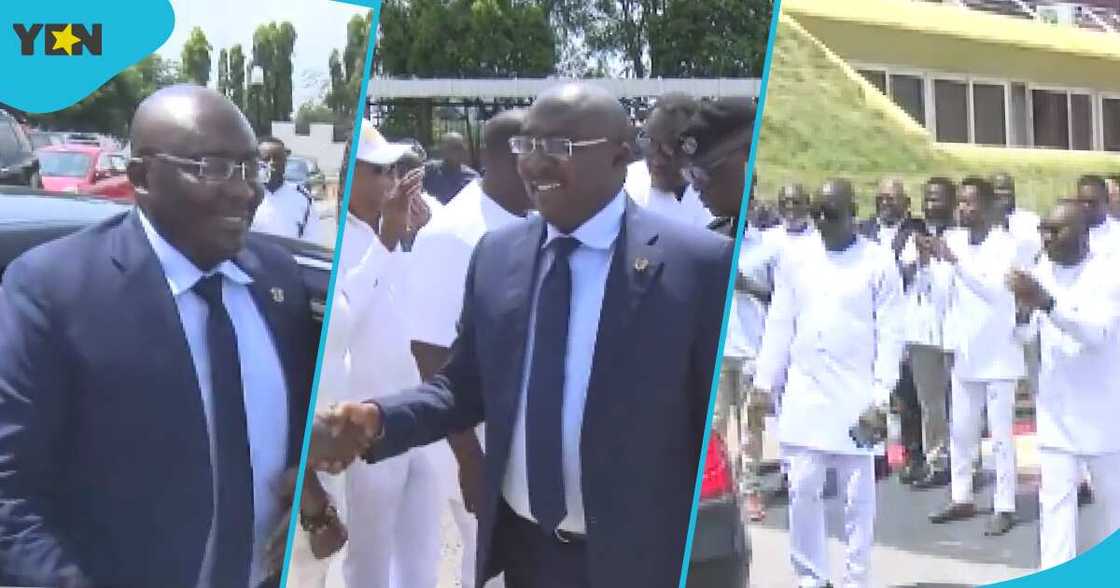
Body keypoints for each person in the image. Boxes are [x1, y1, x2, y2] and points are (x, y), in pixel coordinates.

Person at [308, 82, 732, 588]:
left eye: (559, 147)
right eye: (526, 146)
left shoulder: (696, 266)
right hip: (529, 556)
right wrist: (378, 419)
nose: (534, 164)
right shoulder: (497, 256)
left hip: (640, 558)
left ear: (621, 156)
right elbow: (463, 387)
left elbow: (700, 419)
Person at [0, 85, 320, 588]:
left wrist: (304, 485)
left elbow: (290, 428)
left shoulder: (276, 278)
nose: (244, 190)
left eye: (250, 167)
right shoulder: (54, 291)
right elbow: (10, 496)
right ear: (141, 177)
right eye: (214, 168)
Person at [753, 178, 903, 588]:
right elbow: (780, 323)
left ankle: (856, 579)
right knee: (802, 490)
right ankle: (811, 578)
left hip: (858, 398)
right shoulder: (796, 258)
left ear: (853, 212)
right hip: (806, 395)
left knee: (858, 500)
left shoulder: (877, 261)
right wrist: (765, 383)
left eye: (830, 214)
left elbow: (892, 334)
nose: (821, 221)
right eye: (816, 213)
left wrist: (881, 396)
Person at [406, 109, 534, 588]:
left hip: (521, 435)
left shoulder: (532, 220)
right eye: (534, 150)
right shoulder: (454, 233)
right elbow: (430, 353)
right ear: (504, 158)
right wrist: (470, 459)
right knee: (490, 564)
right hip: (476, 439)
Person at [330, 120, 444, 588]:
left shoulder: (400, 229)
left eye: (394, 170)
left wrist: (421, 239)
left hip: (416, 412)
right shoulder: (338, 237)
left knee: (421, 554)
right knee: (370, 560)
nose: (391, 180)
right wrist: (387, 240)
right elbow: (343, 320)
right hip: (367, 421)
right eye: (378, 171)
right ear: (349, 176)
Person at [1007, 201, 1120, 569]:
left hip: (1103, 414)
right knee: (1054, 511)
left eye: (1055, 230)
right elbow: (1025, 337)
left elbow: (1096, 335)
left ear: (1082, 233)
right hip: (1056, 410)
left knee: (1111, 512)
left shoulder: (1109, 273)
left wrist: (1047, 303)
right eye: (1044, 229)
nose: (1047, 237)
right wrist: (1023, 313)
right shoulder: (1042, 270)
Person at [678, 97, 766, 519]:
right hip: (719, 349)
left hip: (757, 349)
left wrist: (747, 285)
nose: (696, 186)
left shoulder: (779, 235)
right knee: (713, 428)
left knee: (751, 428)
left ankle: (751, 488)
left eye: (704, 173)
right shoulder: (710, 236)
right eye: (690, 174)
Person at [928, 177, 1026, 536]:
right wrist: (934, 263)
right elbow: (943, 295)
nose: (962, 209)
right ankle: (962, 497)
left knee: (1000, 437)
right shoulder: (953, 240)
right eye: (961, 203)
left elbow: (994, 292)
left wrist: (955, 263)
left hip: (1000, 355)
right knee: (961, 431)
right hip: (966, 352)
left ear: (986, 207)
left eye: (970, 204)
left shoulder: (1006, 245)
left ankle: (1005, 505)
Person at [898, 177, 957, 489]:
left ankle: (965, 462)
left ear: (951, 201)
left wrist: (946, 253)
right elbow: (901, 280)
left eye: (938, 199)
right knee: (930, 403)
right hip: (922, 334)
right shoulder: (913, 238)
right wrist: (920, 257)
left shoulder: (963, 238)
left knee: (960, 402)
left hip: (956, 331)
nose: (931, 205)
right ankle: (938, 461)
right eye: (928, 199)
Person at [627, 93, 713, 228]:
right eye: (651, 143)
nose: (657, 160)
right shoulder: (625, 185)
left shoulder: (720, 194)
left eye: (668, 149)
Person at [251, 136, 328, 245]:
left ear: (285, 162)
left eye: (278, 158)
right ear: (257, 162)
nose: (272, 163)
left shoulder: (302, 197)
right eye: (266, 159)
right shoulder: (247, 194)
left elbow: (312, 241)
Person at [424, 131, 480, 205]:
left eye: (461, 147)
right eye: (455, 147)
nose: (460, 151)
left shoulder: (472, 177)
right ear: (443, 149)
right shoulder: (429, 170)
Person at [1076, 174, 1120, 259]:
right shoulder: (1068, 229)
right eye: (1082, 201)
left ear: (1106, 201)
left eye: (1092, 202)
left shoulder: (1117, 234)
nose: (1086, 206)